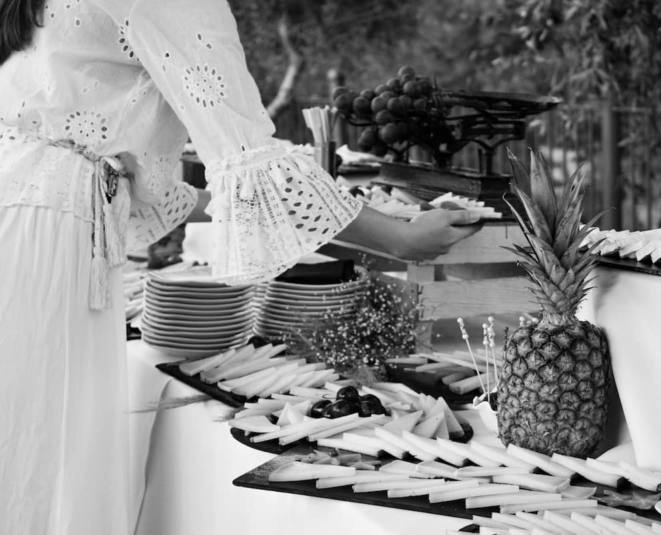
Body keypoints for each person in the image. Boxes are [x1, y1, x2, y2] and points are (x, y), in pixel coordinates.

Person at [0, 0, 482, 533]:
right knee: (43, 456)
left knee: (21, 440)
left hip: (26, 207)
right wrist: (398, 237)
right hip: (50, 229)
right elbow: (250, 160)